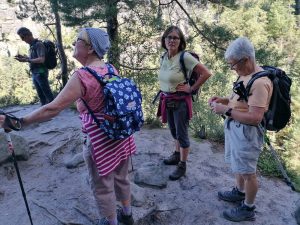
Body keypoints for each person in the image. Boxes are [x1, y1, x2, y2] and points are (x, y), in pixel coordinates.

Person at [1, 28, 135, 225]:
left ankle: (111, 223)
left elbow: (52, 109)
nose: (74, 43)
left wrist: (19, 122)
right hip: (121, 135)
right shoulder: (110, 68)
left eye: (78, 40)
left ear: (89, 48)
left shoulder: (82, 76)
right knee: (122, 178)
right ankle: (127, 214)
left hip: (100, 142)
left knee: (102, 186)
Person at [208, 37, 273, 222]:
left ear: (245, 59)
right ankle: (239, 192)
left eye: (233, 64)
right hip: (236, 129)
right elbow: (241, 102)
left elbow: (255, 117)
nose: (232, 68)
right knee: (238, 165)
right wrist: (223, 100)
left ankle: (248, 208)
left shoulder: (261, 83)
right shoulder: (245, 74)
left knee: (248, 172)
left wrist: (226, 110)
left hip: (247, 133)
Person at [157, 25, 212, 180]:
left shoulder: (185, 57)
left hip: (180, 101)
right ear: (164, 40)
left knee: (182, 135)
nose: (172, 40)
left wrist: (191, 88)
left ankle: (182, 165)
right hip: (167, 99)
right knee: (174, 131)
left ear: (180, 41)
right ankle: (176, 155)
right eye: (169, 37)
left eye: (175, 37)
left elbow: (206, 73)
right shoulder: (164, 57)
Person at [15, 27, 54, 106]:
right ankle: (44, 109)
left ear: (28, 35)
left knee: (46, 92)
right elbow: (34, 58)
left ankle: (53, 109)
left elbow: (41, 59)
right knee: (41, 94)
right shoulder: (32, 46)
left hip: (41, 72)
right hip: (35, 73)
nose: (22, 40)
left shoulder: (38, 44)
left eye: (22, 37)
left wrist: (27, 60)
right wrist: (25, 58)